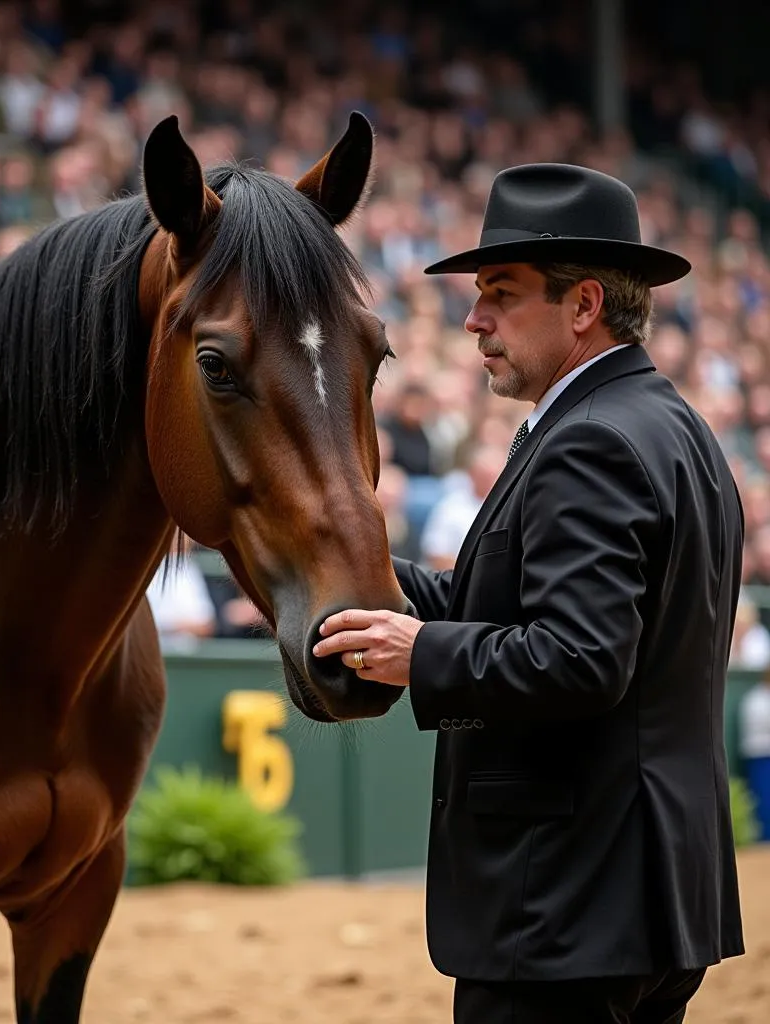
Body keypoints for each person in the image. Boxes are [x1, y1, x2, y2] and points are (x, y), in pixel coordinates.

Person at [313, 163, 745, 1024]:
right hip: (646, 901)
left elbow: (581, 659)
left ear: (583, 306)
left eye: (500, 294)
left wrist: (419, 653)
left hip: (566, 907)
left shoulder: (591, 441)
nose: (474, 319)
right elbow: (506, 600)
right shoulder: (670, 426)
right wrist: (348, 565)